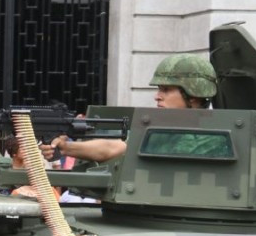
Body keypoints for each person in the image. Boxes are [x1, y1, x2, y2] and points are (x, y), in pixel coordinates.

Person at [45, 53, 218, 163]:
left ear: (193, 95)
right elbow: (116, 145)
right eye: (159, 89)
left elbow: (115, 149)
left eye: (166, 90)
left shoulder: (213, 136)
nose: (157, 96)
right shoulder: (167, 129)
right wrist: (66, 145)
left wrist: (67, 148)